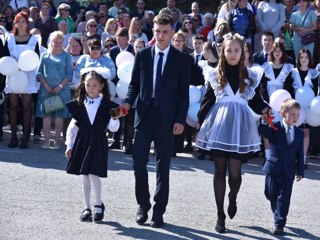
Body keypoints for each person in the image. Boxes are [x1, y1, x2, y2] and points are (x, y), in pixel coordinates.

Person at [120, 13, 190, 228]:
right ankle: (143, 205)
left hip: (167, 119)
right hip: (143, 116)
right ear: (153, 31)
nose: (160, 35)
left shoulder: (182, 59)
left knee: (163, 167)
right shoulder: (142, 55)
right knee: (138, 163)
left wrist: (180, 119)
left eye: (165, 32)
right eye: (157, 31)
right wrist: (127, 103)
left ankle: (159, 211)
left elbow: (183, 94)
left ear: (172, 32)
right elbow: (134, 85)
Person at [196, 33, 266, 233]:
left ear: (243, 52)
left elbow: (256, 101)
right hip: (219, 125)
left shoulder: (250, 75)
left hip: (240, 126)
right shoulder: (216, 73)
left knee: (235, 173)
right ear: (222, 52)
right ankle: (220, 215)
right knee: (219, 169)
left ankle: (232, 196)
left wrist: (266, 110)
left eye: (237, 50)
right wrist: (201, 123)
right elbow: (208, 101)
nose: (233, 54)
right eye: (229, 50)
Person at [65, 68, 120, 222]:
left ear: (101, 86)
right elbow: (73, 126)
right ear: (84, 85)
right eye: (88, 85)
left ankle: (98, 205)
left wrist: (115, 118)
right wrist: (69, 145)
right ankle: (86, 207)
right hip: (82, 141)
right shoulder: (79, 103)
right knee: (84, 175)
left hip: (98, 141)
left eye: (95, 85)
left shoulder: (108, 105)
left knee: (93, 173)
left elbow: (113, 128)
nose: (91, 88)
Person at [259, 98, 304, 235]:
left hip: (289, 170)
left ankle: (279, 223)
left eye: (297, 115)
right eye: (292, 114)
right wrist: (265, 121)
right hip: (273, 168)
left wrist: (300, 170)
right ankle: (276, 210)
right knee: (270, 193)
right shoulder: (275, 126)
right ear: (283, 113)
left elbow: (299, 153)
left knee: (284, 197)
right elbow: (263, 132)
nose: (295, 118)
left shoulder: (299, 133)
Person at [6, 12, 40, 148]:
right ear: (15, 23)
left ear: (27, 23)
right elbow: (5, 58)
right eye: (18, 21)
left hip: (28, 75)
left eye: (23, 21)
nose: (21, 24)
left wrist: (25, 66)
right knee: (13, 106)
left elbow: (36, 58)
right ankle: (13, 137)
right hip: (13, 75)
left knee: (27, 106)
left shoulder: (33, 40)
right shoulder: (9, 39)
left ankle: (25, 137)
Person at [36, 30, 73, 149]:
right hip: (46, 90)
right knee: (47, 116)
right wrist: (46, 85)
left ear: (63, 42)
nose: (57, 44)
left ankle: (57, 142)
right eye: (55, 41)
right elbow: (39, 73)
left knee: (59, 116)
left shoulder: (67, 56)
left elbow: (69, 75)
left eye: (60, 42)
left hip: (61, 91)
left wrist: (59, 87)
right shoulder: (44, 55)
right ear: (51, 42)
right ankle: (46, 141)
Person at [258, 42, 294, 161]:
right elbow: (262, 87)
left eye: (280, 50)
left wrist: (284, 104)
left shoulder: (288, 68)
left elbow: (288, 88)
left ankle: (279, 154)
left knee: (280, 130)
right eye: (275, 50)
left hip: (282, 105)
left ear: (283, 52)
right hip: (267, 104)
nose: (277, 53)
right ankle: (268, 156)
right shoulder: (265, 66)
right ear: (271, 52)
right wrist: (267, 103)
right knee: (267, 130)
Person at [291, 48, 319, 168]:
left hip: (308, 108)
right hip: (294, 106)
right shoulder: (292, 72)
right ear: (298, 59)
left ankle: (303, 160)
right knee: (294, 133)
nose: (303, 59)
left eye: (306, 57)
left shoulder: (314, 74)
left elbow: (315, 90)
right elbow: (288, 88)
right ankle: (293, 158)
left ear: (309, 59)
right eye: (301, 57)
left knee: (306, 133)